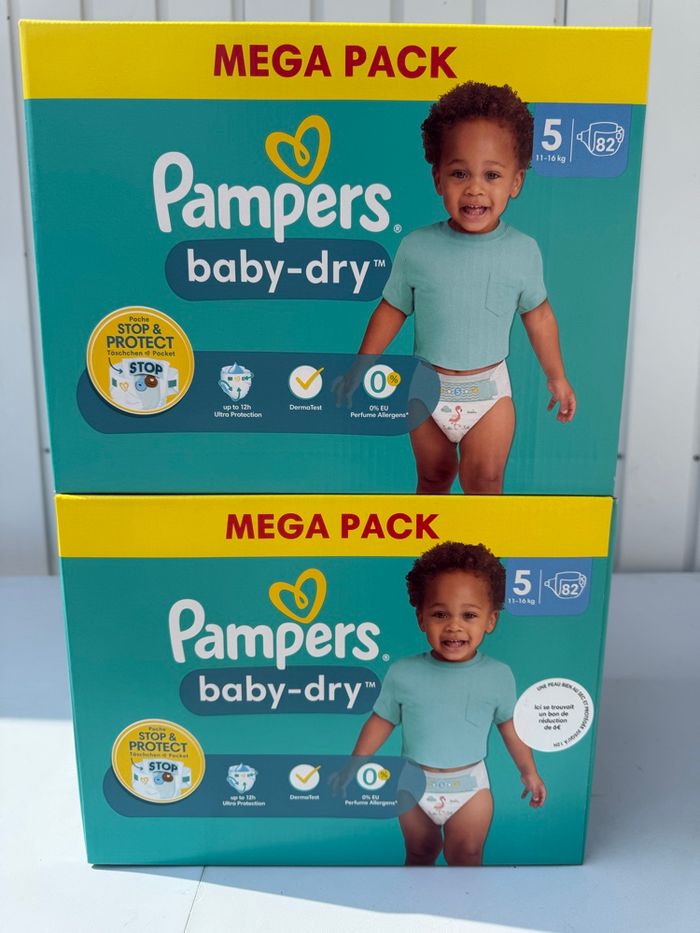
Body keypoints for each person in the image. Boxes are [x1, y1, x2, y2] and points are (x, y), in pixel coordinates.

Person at [356, 81, 576, 494]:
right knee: (434, 477)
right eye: (460, 173)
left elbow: (539, 316)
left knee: (485, 481)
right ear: (438, 178)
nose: (475, 188)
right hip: (427, 387)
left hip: (489, 392)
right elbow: (391, 309)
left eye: (492, 175)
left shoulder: (523, 251)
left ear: (516, 182)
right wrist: (362, 365)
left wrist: (557, 376)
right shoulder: (417, 248)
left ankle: (481, 537)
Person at [349, 542, 546, 866]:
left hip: (470, 786)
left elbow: (511, 727)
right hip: (413, 783)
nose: (454, 626)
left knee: (466, 855)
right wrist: (355, 763)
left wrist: (529, 772)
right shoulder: (403, 672)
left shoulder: (498, 675)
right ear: (421, 618)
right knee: (419, 852)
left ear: (491, 620)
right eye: (440, 614)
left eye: (469, 615)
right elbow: (381, 720)